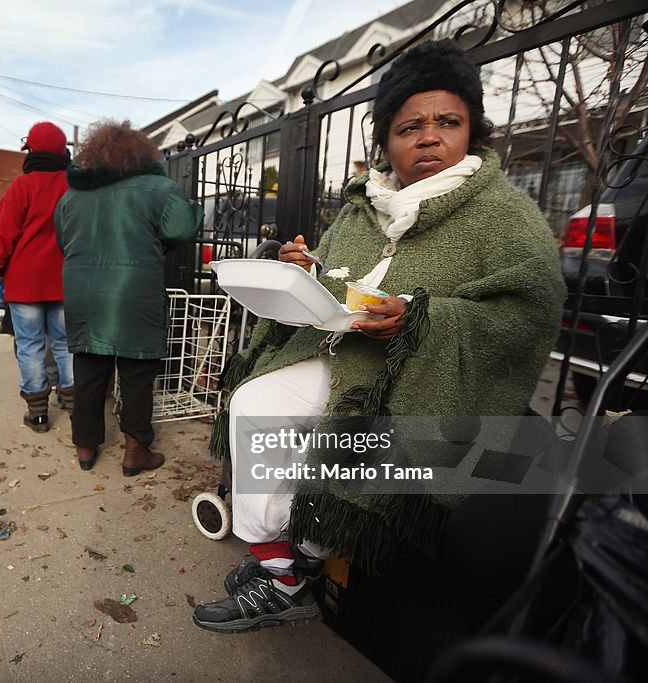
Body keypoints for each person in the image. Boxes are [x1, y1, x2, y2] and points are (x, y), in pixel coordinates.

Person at [191, 39, 565, 633]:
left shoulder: (504, 214)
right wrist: (306, 271)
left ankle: (303, 560)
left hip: (414, 373)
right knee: (254, 403)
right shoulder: (362, 206)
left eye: (448, 121)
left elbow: (529, 313)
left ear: (473, 129)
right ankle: (280, 565)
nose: (428, 136)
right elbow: (340, 283)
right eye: (408, 125)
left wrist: (423, 318)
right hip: (338, 350)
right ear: (386, 140)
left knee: (345, 438)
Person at [55, 120, 202, 474]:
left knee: (88, 368)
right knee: (137, 371)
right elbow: (182, 228)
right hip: (135, 289)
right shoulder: (160, 189)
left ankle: (86, 447)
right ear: (140, 154)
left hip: (83, 290)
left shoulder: (71, 196)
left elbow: (64, 241)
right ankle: (136, 450)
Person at [0, 122, 74, 432]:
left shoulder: (21, 187)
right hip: (66, 282)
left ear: (31, 151)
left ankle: (39, 414)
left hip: (25, 285)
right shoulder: (76, 188)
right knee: (65, 345)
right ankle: (73, 406)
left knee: (30, 346)